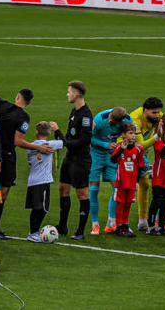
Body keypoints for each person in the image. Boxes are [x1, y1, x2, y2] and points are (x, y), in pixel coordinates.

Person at [0, 88, 52, 239]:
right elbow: (18, 141)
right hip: (7, 155)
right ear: (29, 102)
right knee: (2, 191)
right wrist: (39, 147)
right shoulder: (24, 117)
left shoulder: (1, 103)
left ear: (17, 96)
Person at [57, 80, 93, 241]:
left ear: (76, 94)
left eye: (69, 91)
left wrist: (64, 142)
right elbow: (70, 135)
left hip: (80, 160)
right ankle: (62, 226)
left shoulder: (86, 115)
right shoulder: (74, 111)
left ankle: (80, 231)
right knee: (63, 189)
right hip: (69, 158)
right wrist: (58, 135)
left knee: (82, 194)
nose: (67, 94)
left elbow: (84, 141)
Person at [89, 106, 131, 234]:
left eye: (113, 123)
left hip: (112, 155)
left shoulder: (128, 121)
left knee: (117, 189)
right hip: (96, 154)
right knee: (94, 189)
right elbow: (89, 138)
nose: (110, 123)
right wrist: (105, 144)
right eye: (110, 120)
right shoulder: (99, 119)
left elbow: (131, 135)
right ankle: (95, 224)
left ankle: (111, 222)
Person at [24, 121, 64, 241]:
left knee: (36, 208)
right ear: (48, 132)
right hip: (42, 181)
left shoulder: (31, 146)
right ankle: (33, 233)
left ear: (37, 132)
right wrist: (57, 130)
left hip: (32, 180)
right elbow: (64, 142)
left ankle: (33, 232)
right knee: (42, 209)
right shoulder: (50, 144)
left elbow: (30, 162)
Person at [128, 97, 162, 231]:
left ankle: (142, 221)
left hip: (138, 151)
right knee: (122, 188)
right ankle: (113, 222)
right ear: (145, 111)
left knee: (146, 183)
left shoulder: (158, 116)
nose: (157, 115)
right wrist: (155, 137)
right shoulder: (135, 119)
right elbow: (141, 145)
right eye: (154, 112)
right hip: (124, 151)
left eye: (158, 112)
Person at [109, 123, 144, 237]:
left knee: (128, 204)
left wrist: (137, 181)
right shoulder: (119, 147)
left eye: (134, 133)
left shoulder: (138, 149)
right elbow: (113, 160)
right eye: (130, 133)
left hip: (132, 182)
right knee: (120, 204)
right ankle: (119, 226)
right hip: (121, 182)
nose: (133, 135)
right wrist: (121, 150)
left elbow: (140, 166)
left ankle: (125, 225)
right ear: (123, 134)